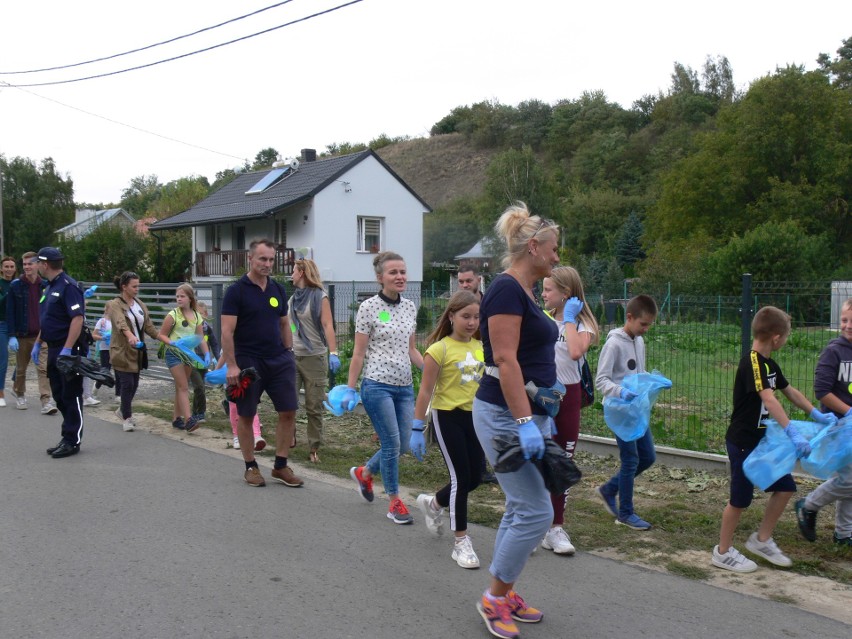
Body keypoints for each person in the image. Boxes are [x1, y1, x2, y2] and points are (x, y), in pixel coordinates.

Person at [472, 202, 559, 638]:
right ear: (534, 246)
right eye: (554, 249)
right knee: (536, 512)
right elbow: (505, 360)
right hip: (505, 415)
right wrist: (525, 423)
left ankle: (503, 594)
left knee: (521, 506)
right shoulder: (506, 290)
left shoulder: (524, 292)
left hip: (526, 414)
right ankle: (492, 599)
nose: (557, 257)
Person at [711, 305, 837, 573]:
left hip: (760, 442)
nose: (786, 340)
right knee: (739, 500)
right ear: (777, 337)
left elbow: (789, 391)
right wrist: (791, 430)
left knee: (786, 487)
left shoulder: (770, 364)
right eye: (787, 336)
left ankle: (762, 540)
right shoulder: (753, 363)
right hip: (743, 442)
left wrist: (816, 413)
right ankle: (722, 552)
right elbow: (768, 397)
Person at [347, 251, 424, 524]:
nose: (400, 276)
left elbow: (412, 349)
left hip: (404, 387)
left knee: (402, 444)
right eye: (393, 272)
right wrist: (349, 387)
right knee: (391, 444)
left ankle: (365, 474)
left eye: (403, 271)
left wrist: (430, 370)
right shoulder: (368, 307)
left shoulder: (410, 307)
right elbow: (358, 353)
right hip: (377, 386)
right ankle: (394, 502)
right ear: (381, 278)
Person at [411, 290, 485, 568]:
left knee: (476, 477)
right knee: (460, 479)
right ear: (451, 316)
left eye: (476, 317)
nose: (471, 322)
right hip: (448, 416)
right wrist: (417, 427)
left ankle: (434, 504)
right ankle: (461, 543)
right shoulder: (438, 349)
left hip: (475, 419)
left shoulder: (480, 347)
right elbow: (425, 391)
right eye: (466, 316)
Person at [220, 238, 303, 488]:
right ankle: (251, 466)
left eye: (270, 259)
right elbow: (226, 332)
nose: (267, 264)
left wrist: (288, 353)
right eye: (262, 259)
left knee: (288, 411)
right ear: (251, 259)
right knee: (246, 414)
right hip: (248, 362)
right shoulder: (236, 291)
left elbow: (283, 323)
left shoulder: (277, 289)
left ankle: (280, 466)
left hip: (279, 359)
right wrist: (232, 366)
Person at [540, 265, 599, 554]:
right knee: (538, 460)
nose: (543, 294)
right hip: (542, 396)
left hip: (569, 397)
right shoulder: (544, 320)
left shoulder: (582, 324)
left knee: (562, 461)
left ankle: (556, 528)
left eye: (549, 289)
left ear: (566, 293)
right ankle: (535, 525)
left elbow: (576, 352)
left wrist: (571, 321)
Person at [594, 294, 658, 531]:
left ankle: (610, 489)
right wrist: (620, 392)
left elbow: (638, 374)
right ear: (629, 317)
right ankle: (626, 513)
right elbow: (601, 380)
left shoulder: (639, 341)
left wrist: (652, 383)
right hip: (620, 412)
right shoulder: (614, 343)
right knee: (631, 460)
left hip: (637, 411)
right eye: (643, 324)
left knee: (648, 457)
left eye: (649, 324)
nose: (646, 329)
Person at [794, 297, 852, 548]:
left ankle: (844, 533)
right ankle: (809, 506)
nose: (848, 325)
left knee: (850, 477)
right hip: (839, 427)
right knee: (849, 479)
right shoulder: (834, 351)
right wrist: (849, 412)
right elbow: (822, 391)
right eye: (844, 320)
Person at [35, 247, 86, 458]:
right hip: (53, 347)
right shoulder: (49, 287)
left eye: (38, 262)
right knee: (58, 393)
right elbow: (48, 318)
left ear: (45, 264)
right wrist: (38, 343)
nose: (36, 266)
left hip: (68, 348)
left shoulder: (68, 286)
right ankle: (67, 435)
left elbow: (77, 318)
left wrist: (67, 348)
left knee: (71, 394)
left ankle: (72, 440)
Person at [289, 258, 340, 463]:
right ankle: (289, 436)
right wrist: (295, 336)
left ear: (302, 272)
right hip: (293, 356)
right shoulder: (292, 299)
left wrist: (334, 353)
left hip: (315, 358)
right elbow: (291, 324)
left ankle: (313, 448)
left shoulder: (320, 297)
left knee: (314, 406)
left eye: (293, 271)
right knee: (289, 402)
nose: (291, 275)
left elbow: (328, 325)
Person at [109, 272, 169, 432]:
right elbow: (120, 323)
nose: (137, 289)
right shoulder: (115, 304)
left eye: (138, 286)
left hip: (137, 351)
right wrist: (129, 335)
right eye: (134, 286)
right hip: (122, 351)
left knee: (134, 384)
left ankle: (122, 410)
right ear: (124, 287)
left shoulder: (140, 304)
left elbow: (148, 326)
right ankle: (127, 418)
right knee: (127, 384)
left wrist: (165, 339)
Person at [458, 265, 498, 484]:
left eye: (468, 281)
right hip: (465, 362)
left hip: (488, 358)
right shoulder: (456, 304)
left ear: (478, 280)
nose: (465, 285)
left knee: (485, 415)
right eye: (461, 281)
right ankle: (472, 465)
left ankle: (483, 466)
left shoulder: (488, 302)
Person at [6, 251, 56, 414]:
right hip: (22, 335)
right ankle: (20, 394)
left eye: (30, 263)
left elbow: (51, 309)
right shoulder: (16, 286)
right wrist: (12, 335)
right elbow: (10, 312)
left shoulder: (45, 285)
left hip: (41, 335)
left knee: (43, 368)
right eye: (25, 264)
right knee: (21, 368)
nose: (27, 267)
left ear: (38, 264)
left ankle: (46, 401)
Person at [158, 283, 209, 433]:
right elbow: (161, 335)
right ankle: (189, 420)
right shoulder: (172, 315)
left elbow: (200, 338)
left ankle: (176, 419)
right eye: (177, 296)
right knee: (184, 387)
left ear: (190, 298)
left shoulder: (197, 316)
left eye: (182, 296)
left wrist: (207, 354)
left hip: (188, 355)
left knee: (180, 387)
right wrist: (172, 342)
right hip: (173, 353)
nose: (179, 299)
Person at [188, 301, 219, 424]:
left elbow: (214, 343)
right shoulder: (191, 328)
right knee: (199, 387)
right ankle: (200, 413)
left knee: (200, 389)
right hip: (192, 361)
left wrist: (217, 358)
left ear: (205, 314)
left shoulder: (207, 328)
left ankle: (195, 412)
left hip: (204, 362)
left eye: (201, 314)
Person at [92, 303, 120, 403]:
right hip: (105, 349)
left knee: (119, 372)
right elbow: (94, 335)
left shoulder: (118, 321)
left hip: (116, 349)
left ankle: (118, 395)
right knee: (105, 371)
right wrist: (102, 338)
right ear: (107, 309)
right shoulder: (102, 322)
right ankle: (96, 388)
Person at [0, 255, 17, 407]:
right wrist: (8, 293)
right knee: (3, 360)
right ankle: (0, 393)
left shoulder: (19, 283)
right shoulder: (1, 284)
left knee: (25, 357)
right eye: (6, 266)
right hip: (2, 324)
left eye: (12, 266)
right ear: (1, 268)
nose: (9, 269)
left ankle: (16, 383)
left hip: (19, 324)